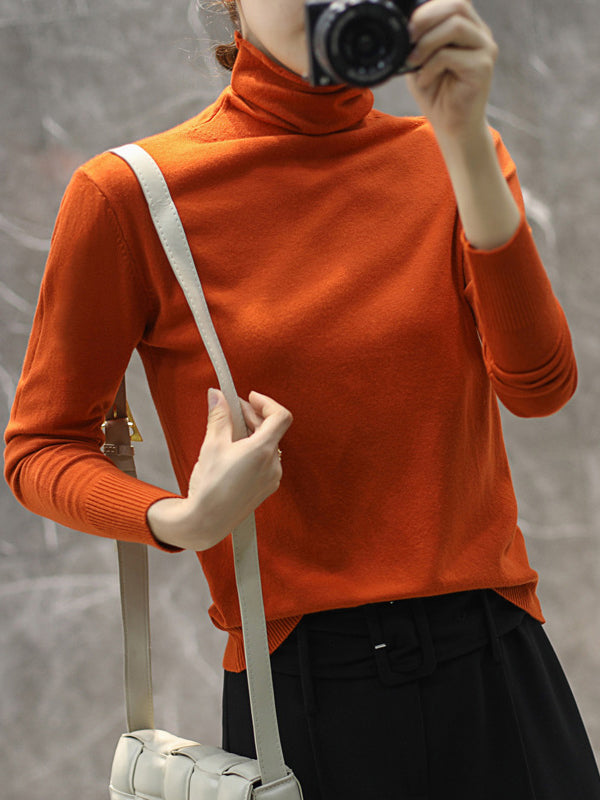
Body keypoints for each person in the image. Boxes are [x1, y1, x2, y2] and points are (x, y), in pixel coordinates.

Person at [4, 0, 600, 797]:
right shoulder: (132, 195)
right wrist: (183, 519)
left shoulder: (458, 155)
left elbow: (540, 387)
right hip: (303, 690)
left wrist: (464, 142)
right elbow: (39, 447)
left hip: (499, 657)